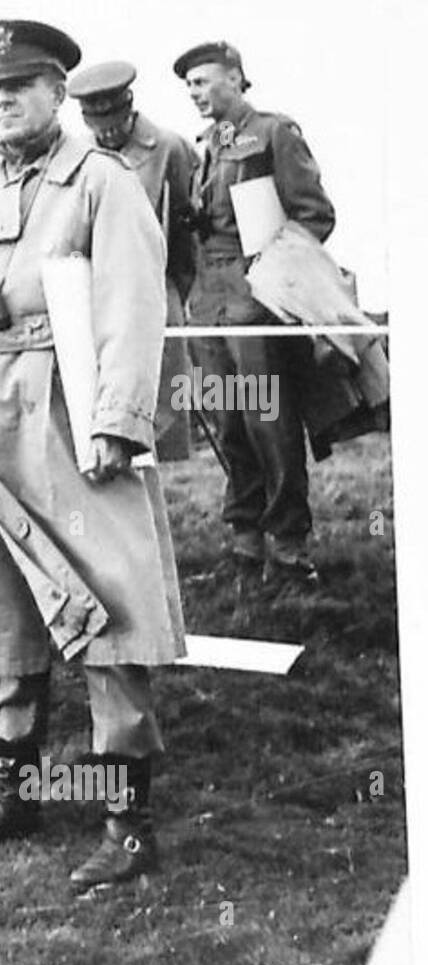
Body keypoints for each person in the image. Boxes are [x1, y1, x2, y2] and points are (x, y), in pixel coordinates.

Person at [0, 20, 186, 889]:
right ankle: (14, 790)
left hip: (67, 425)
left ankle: (125, 822)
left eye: (20, 88)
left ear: (57, 94)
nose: (3, 103)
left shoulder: (100, 183)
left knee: (108, 608)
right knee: (5, 619)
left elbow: (134, 310)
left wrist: (118, 422)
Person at [176, 40, 335, 587]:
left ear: (237, 78)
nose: (193, 93)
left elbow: (314, 215)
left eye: (202, 81)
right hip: (210, 306)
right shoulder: (207, 148)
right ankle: (245, 544)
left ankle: (289, 548)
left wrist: (272, 271)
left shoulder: (274, 133)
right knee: (230, 421)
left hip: (255, 301)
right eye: (189, 85)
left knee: (270, 420)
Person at [68, 60, 197, 462]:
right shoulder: (79, 157)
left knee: (161, 388)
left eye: (114, 123)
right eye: (97, 126)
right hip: (94, 291)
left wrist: (174, 291)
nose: (107, 133)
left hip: (155, 285)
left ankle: (157, 462)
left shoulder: (169, 148)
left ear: (129, 107)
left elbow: (186, 230)